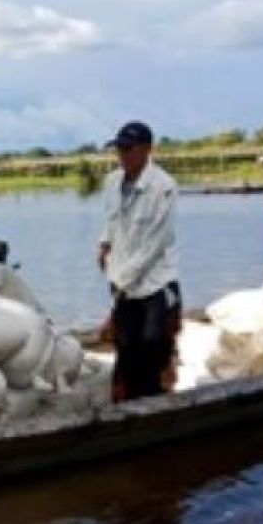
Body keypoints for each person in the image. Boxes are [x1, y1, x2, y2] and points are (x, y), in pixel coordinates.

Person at [98, 121, 182, 403]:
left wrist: (120, 280)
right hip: (123, 282)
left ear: (147, 150)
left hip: (154, 285)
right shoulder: (111, 182)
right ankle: (128, 407)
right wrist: (104, 244)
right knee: (125, 349)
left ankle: (155, 405)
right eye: (119, 149)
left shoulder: (163, 187)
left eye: (128, 149)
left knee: (151, 348)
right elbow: (111, 223)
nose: (122, 155)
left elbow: (154, 246)